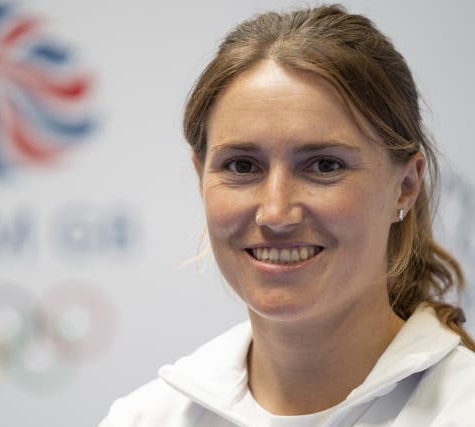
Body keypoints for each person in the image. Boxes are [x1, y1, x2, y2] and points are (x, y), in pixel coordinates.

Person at [99, 4, 475, 426]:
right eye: (242, 166)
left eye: (324, 165)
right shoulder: (147, 417)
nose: (276, 214)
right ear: (200, 178)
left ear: (405, 186)